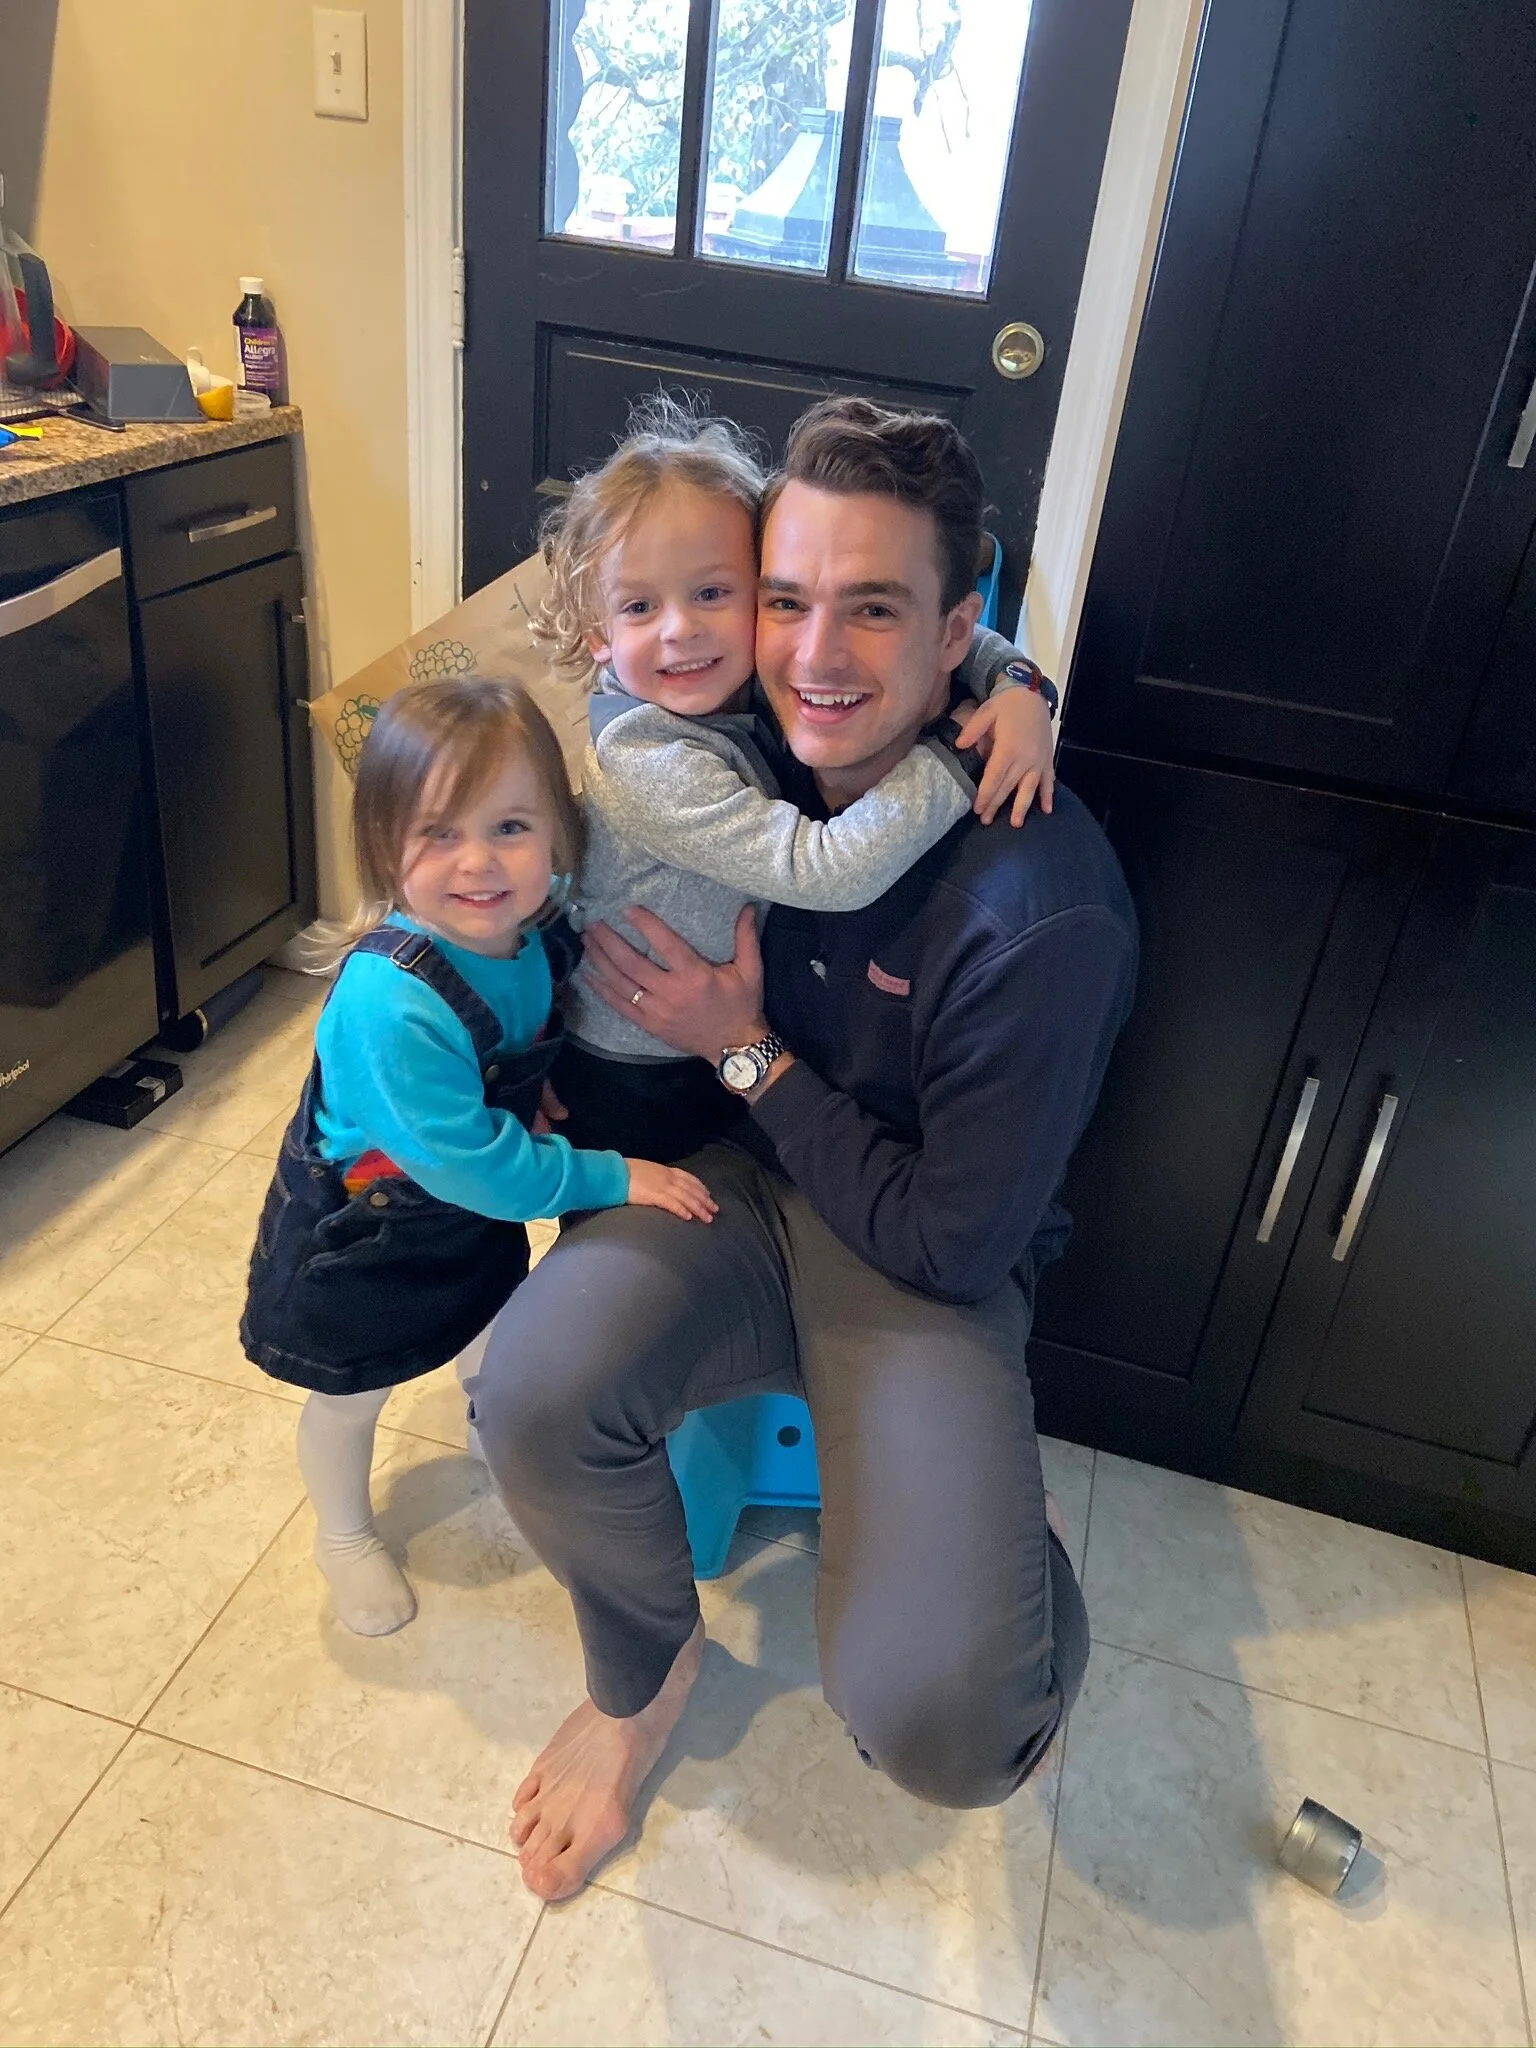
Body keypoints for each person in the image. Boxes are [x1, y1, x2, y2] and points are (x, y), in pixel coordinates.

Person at [470, 395, 1139, 1903]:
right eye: (783, 599)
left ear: (952, 628)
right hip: (738, 1176)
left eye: (875, 609)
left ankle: (1009, 1546)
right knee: (531, 1391)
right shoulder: (740, 704)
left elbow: (952, 1243)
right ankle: (646, 1675)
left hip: (912, 1244)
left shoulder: (1040, 911)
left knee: (948, 1724)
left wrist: (743, 1051)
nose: (815, 653)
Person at [240, 678, 716, 1639]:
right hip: (364, 1241)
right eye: (438, 832)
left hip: (461, 1222)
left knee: (491, 1332)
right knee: (351, 1398)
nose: (479, 862)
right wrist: (613, 1174)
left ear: (557, 837)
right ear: (384, 845)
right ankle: (342, 1534)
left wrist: (528, 1083)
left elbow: (507, 1048)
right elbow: (477, 1168)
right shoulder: (390, 1001)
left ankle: (487, 1426)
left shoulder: (525, 933)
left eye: (510, 827)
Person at [531, 399, 1058, 1163]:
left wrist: (1018, 685)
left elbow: (946, 629)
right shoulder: (647, 758)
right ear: (598, 638)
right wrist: (958, 751)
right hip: (633, 1072)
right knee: (645, 1211)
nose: (680, 628)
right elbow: (823, 870)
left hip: (714, 1045)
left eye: (712, 593)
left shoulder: (723, 688)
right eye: (640, 606)